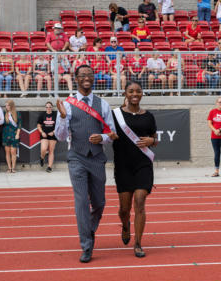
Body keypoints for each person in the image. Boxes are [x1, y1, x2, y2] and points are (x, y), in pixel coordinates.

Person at [54, 64, 117, 263]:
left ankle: (88, 230)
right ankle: (86, 246)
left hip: (97, 157)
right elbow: (60, 136)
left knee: (99, 203)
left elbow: (111, 133)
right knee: (81, 202)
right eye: (82, 75)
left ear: (94, 78)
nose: (86, 78)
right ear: (77, 79)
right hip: (77, 157)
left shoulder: (103, 104)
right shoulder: (68, 105)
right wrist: (63, 118)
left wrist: (103, 138)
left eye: (89, 74)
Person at [113, 81, 157, 258]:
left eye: (138, 91)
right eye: (131, 91)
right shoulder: (115, 115)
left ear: (142, 94)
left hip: (143, 164)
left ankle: (138, 243)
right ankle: (125, 225)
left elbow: (154, 137)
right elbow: (107, 134)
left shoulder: (148, 116)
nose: (135, 94)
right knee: (124, 209)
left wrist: (151, 141)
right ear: (125, 93)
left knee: (139, 202)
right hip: (123, 165)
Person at [37, 101, 57, 172]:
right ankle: (42, 157)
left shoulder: (55, 115)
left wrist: (53, 132)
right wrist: (42, 132)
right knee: (44, 149)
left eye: (50, 107)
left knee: (51, 151)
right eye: (47, 107)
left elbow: (59, 126)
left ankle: (49, 167)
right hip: (44, 135)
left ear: (52, 107)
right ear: (45, 108)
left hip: (53, 135)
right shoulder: (42, 115)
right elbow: (38, 126)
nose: (48, 108)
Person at [2, 100, 21, 173]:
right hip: (6, 134)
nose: (7, 107)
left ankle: (13, 168)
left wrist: (17, 134)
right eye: (6, 105)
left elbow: (19, 125)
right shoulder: (4, 114)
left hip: (14, 134)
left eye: (8, 105)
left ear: (12, 106)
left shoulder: (17, 113)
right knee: (7, 152)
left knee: (13, 152)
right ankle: (9, 168)